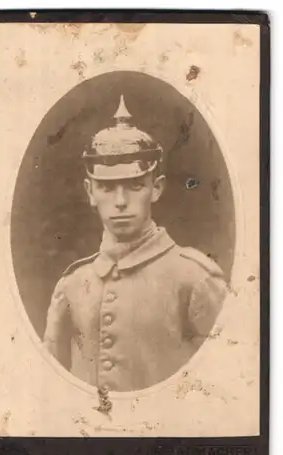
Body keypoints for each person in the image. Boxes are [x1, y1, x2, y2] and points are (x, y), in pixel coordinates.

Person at [43, 95, 227, 392]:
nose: (120, 202)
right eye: (106, 187)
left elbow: (229, 388)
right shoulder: (72, 285)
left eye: (135, 185)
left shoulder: (195, 279)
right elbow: (48, 390)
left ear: (156, 188)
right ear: (90, 192)